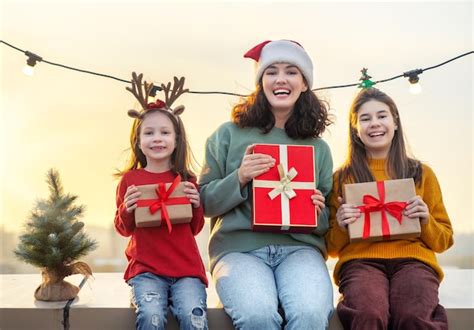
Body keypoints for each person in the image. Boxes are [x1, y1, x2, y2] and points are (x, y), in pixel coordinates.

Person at [199, 40, 334, 329]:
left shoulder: (318, 148)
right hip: (239, 249)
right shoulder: (227, 135)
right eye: (271, 71)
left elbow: (325, 224)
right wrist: (240, 177)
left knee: (311, 314)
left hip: (300, 251)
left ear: (304, 83)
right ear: (261, 81)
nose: (281, 79)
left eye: (291, 72)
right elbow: (205, 204)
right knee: (257, 315)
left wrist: (317, 209)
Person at [326, 87, 453, 330]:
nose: (375, 123)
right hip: (360, 261)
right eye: (365, 118)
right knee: (368, 313)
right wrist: (342, 225)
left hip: (415, 261)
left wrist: (425, 220)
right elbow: (330, 248)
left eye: (382, 116)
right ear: (355, 128)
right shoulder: (341, 179)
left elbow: (444, 240)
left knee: (413, 315)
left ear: (395, 122)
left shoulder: (422, 174)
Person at [114, 73, 208, 330]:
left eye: (165, 132)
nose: (157, 138)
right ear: (138, 141)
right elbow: (124, 229)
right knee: (151, 317)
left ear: (176, 140)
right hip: (146, 271)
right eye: (149, 133)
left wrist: (196, 203)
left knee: (194, 317)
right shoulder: (130, 180)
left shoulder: (186, 178)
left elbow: (195, 227)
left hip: (186, 270)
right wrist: (127, 209)